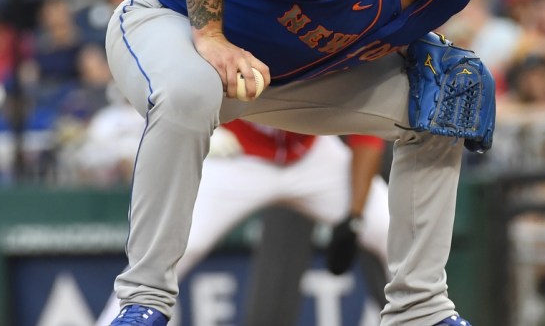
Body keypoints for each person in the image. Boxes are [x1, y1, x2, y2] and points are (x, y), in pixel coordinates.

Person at [102, 0, 544, 325]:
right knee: (190, 92)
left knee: (446, 96)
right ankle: (145, 301)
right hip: (168, 21)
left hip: (276, 78)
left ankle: (420, 308)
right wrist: (210, 35)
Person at [94, 116, 390, 325]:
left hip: (312, 153)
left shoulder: (328, 37)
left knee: (392, 229)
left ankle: (430, 316)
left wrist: (354, 217)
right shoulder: (234, 30)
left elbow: (367, 129)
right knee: (169, 246)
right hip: (238, 155)